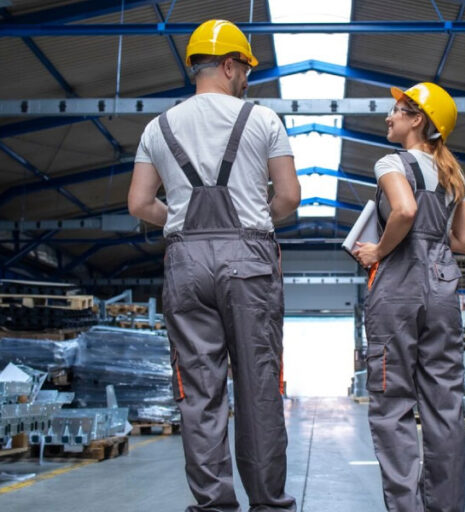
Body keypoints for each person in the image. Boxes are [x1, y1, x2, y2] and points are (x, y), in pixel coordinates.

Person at [127, 19, 300, 512]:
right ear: (228, 65)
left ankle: (214, 505)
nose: (246, 78)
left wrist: (178, 221)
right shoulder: (263, 120)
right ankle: (268, 503)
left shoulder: (157, 128)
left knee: (200, 393)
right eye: (244, 68)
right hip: (248, 260)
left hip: (185, 262)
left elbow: (140, 203)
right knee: (258, 387)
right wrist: (250, 219)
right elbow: (288, 196)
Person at [352, 82, 465, 512]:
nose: (389, 117)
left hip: (398, 286)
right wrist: (432, 242)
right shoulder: (453, 174)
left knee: (393, 405)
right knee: (445, 406)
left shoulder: (392, 162)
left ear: (417, 119)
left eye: (396, 111)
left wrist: (378, 250)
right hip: (443, 286)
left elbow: (403, 211)